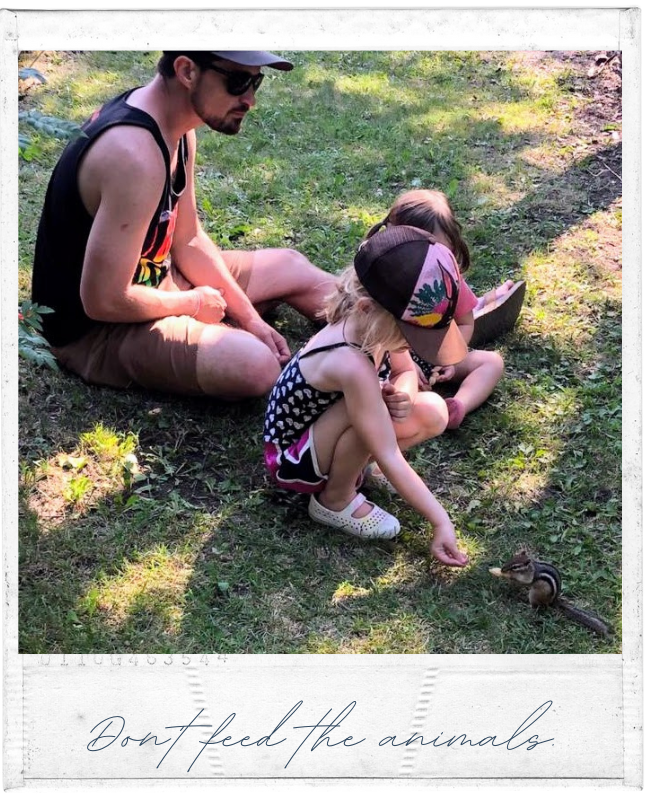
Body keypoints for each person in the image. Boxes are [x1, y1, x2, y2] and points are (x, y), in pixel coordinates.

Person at [31, 51, 337, 400]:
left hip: (157, 282)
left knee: (290, 266)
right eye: (238, 82)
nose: (249, 100)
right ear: (187, 70)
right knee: (256, 365)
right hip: (96, 331)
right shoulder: (133, 155)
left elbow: (188, 240)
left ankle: (382, 329)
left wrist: (249, 318)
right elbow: (102, 300)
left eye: (256, 82)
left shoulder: (176, 126)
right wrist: (191, 303)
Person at [263, 225, 469, 568]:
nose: (411, 347)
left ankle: (355, 467)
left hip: (327, 434)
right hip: (292, 457)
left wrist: (403, 393)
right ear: (365, 308)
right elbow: (387, 448)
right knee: (367, 419)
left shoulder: (372, 327)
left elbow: (404, 372)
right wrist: (440, 520)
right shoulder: (351, 363)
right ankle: (334, 500)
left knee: (432, 410)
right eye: (408, 335)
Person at [366, 189, 525, 429]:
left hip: (435, 354)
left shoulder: (448, 278)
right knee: (376, 390)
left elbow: (464, 322)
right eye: (427, 254)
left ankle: (458, 405)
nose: (436, 263)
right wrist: (407, 368)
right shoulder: (383, 275)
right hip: (391, 359)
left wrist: (451, 360)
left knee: (491, 362)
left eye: (443, 253)